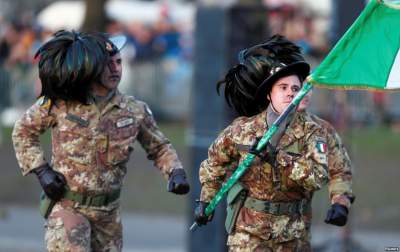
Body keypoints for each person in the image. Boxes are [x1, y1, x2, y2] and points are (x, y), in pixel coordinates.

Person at [12, 30, 189, 252]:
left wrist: (175, 172)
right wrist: (41, 170)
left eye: (119, 62)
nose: (116, 70)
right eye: (108, 64)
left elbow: (159, 147)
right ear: (93, 67)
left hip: (109, 214)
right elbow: (23, 130)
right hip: (68, 207)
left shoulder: (134, 110)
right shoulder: (63, 102)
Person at [193, 35, 353, 251]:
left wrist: (340, 201)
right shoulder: (242, 129)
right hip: (248, 233)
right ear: (269, 93)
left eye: (295, 89)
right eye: (283, 87)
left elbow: (325, 175)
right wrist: (205, 201)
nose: (290, 93)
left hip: (293, 234)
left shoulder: (315, 131)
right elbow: (214, 164)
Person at [298, 90, 355, 227]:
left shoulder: (321, 129)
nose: (305, 93)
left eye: (309, 87)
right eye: (298, 87)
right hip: (250, 232)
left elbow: (340, 170)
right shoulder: (251, 126)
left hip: (297, 228)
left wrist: (340, 202)